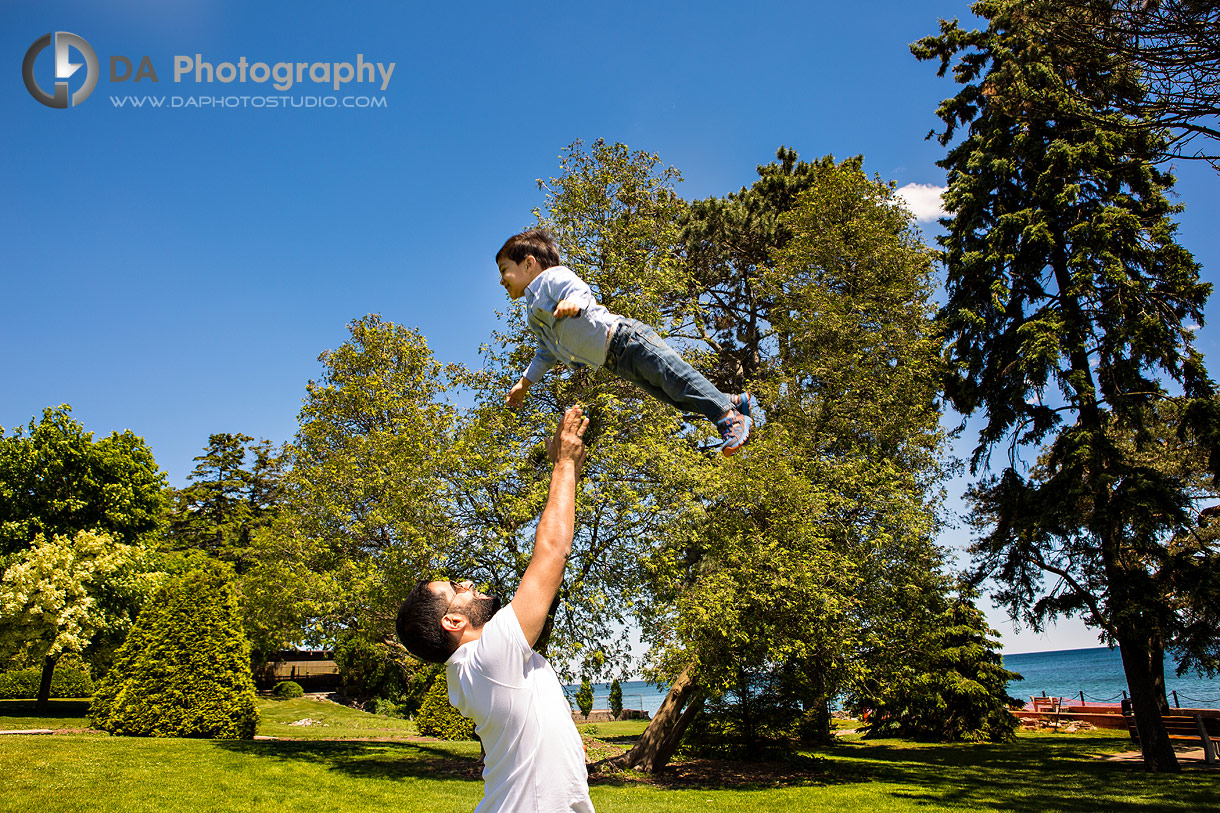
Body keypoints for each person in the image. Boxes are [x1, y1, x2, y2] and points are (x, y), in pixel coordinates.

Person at [396, 406, 596, 813]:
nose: (467, 583)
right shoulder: (488, 660)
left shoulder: (471, 669)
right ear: (452, 621)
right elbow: (552, 554)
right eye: (456, 588)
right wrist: (564, 465)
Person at [496, 229, 753, 457]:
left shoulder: (550, 279)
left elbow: (577, 289)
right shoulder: (532, 312)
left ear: (529, 264)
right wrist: (525, 382)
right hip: (615, 361)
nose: (501, 280)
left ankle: (727, 415)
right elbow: (546, 352)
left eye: (504, 269)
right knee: (673, 395)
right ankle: (733, 400)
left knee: (676, 378)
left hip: (626, 338)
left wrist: (574, 302)